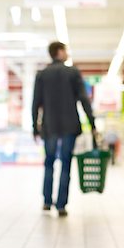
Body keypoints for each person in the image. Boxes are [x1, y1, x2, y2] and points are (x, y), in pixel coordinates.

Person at [32, 41, 96, 217]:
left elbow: (35, 103)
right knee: (66, 163)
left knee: (49, 162)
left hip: (49, 125)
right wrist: (92, 123)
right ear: (59, 52)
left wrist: (35, 127)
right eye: (65, 50)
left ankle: (46, 201)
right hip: (69, 125)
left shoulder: (42, 75)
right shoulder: (73, 73)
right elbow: (84, 99)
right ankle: (61, 205)